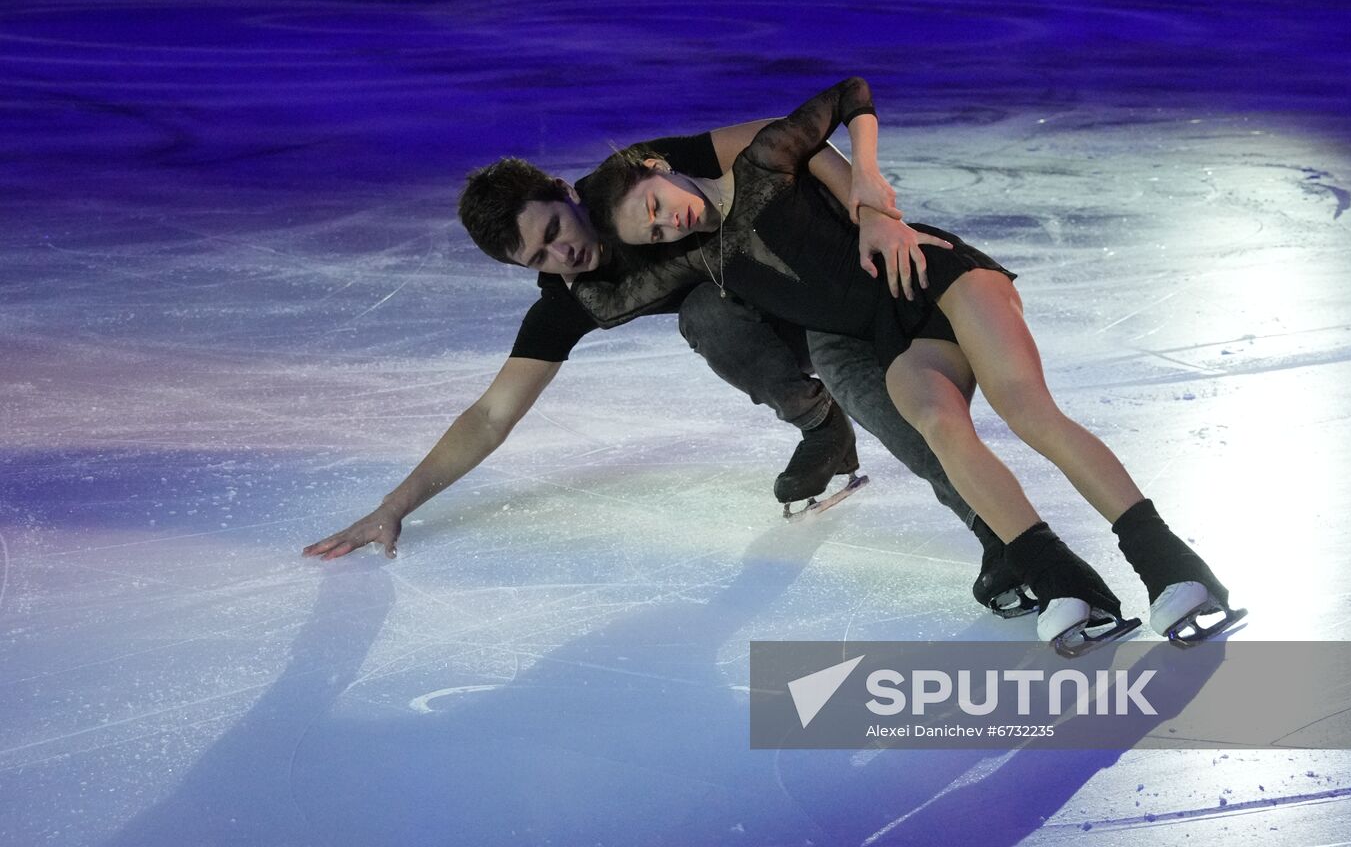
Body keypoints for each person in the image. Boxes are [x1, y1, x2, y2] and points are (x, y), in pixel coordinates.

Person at [580, 77, 1246, 653]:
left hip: (935, 276)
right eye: (658, 232)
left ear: (657, 166)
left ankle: (1173, 568)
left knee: (1027, 411)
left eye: (657, 206)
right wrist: (560, 237)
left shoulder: (764, 160)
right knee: (936, 422)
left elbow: (851, 94)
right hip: (892, 328)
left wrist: (866, 178)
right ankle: (1066, 583)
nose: (671, 222)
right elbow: (606, 300)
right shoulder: (708, 259)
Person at [305, 119, 1027, 617]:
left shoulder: (636, 177)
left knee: (871, 395)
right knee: (707, 317)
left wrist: (868, 208)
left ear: (565, 191)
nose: (563, 256)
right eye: (539, 258)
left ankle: (1000, 537)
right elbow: (492, 415)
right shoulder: (572, 295)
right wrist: (393, 507)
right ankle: (821, 428)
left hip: (841, 271)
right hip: (780, 320)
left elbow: (788, 138)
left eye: (555, 231)